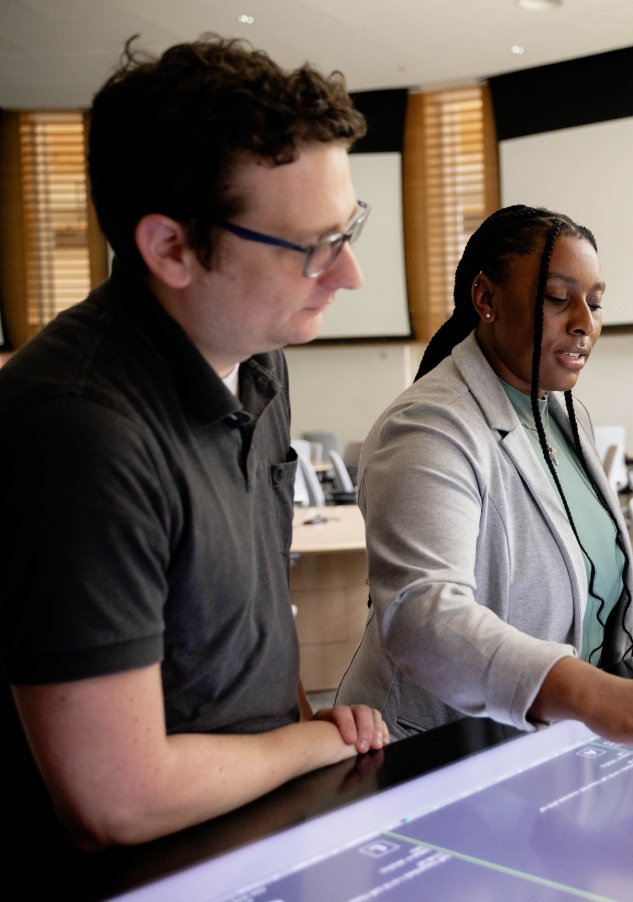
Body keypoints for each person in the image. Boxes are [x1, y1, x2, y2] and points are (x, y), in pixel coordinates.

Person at [0, 37, 390, 852]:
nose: (349, 274)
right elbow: (117, 801)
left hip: (256, 827)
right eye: (314, 246)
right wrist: (312, 744)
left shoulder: (258, 355)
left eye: (347, 229)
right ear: (171, 248)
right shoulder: (79, 430)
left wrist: (304, 724)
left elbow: (249, 619)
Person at [336, 205, 633, 777]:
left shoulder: (563, 412)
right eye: (557, 298)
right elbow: (423, 617)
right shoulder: (428, 427)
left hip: (540, 745)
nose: (584, 323)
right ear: (486, 297)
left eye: (595, 303)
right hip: (437, 755)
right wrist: (596, 696)